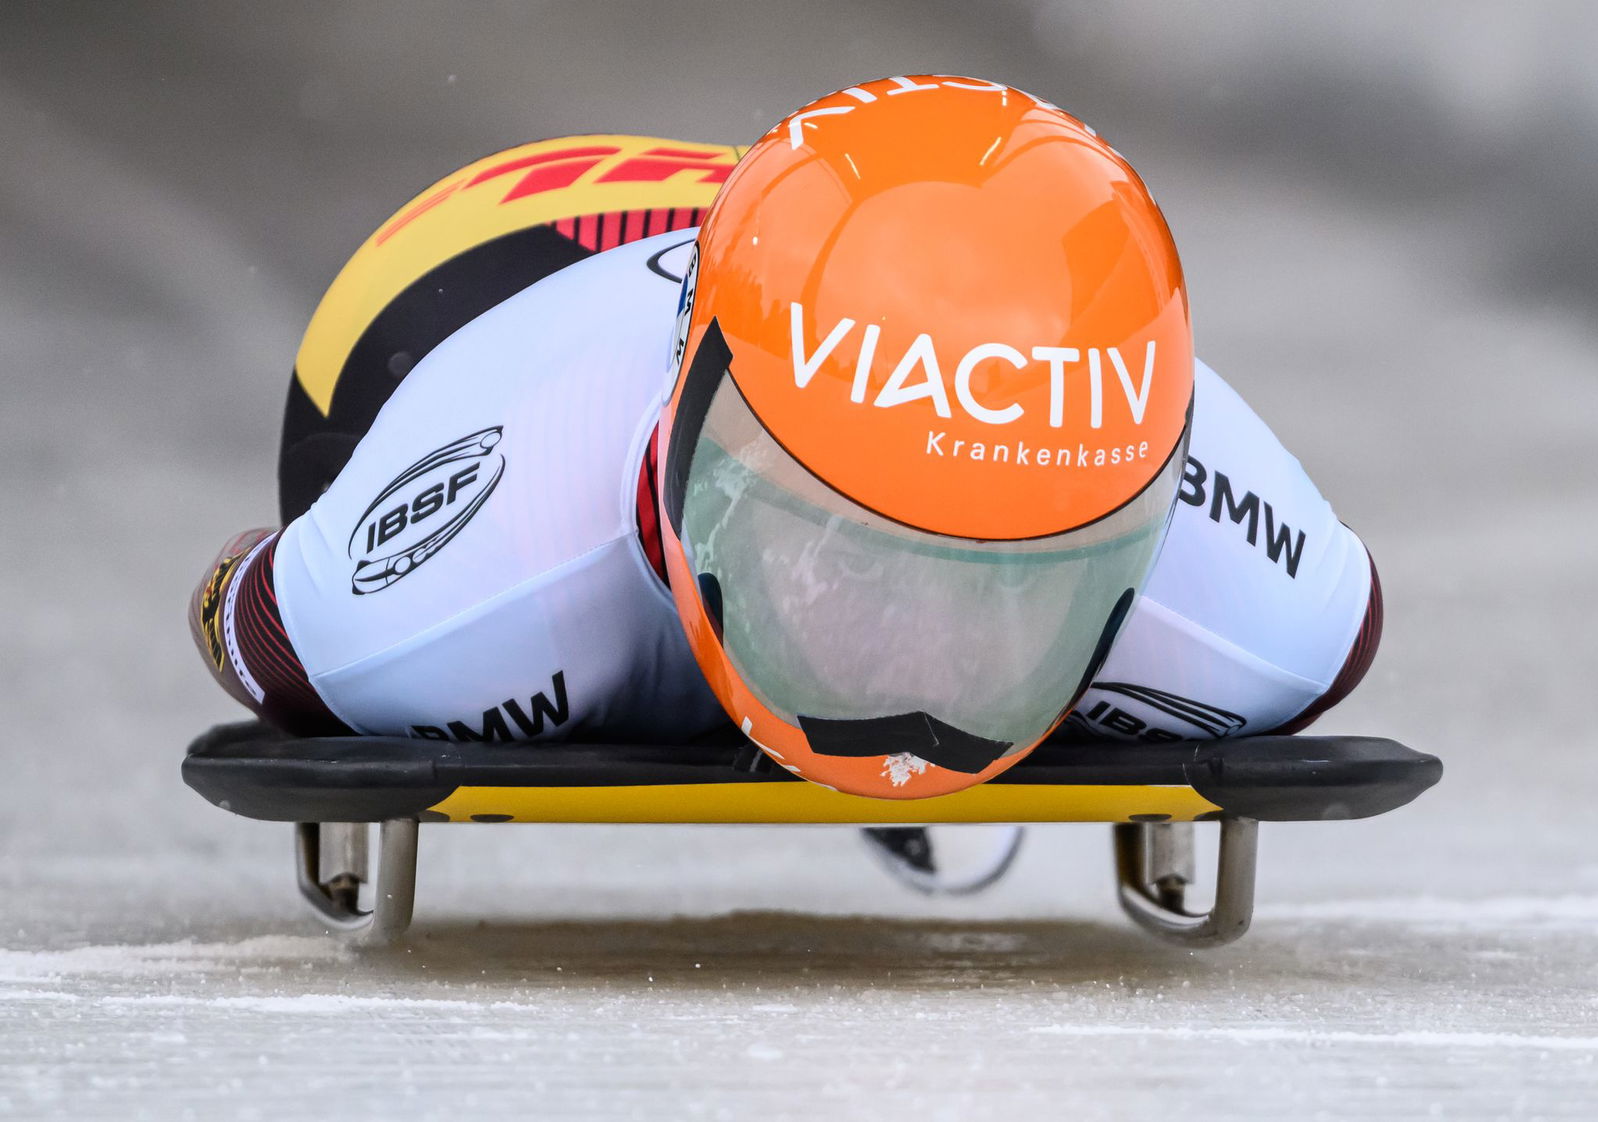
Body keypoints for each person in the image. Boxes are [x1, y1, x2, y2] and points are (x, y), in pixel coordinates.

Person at [192, 80, 1380, 809]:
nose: (915, 666)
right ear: (686, 432)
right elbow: (262, 623)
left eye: (1024, 572)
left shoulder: (1269, 618)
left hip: (755, 314)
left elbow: (240, 627)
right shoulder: (423, 607)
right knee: (347, 432)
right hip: (507, 273)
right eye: (843, 542)